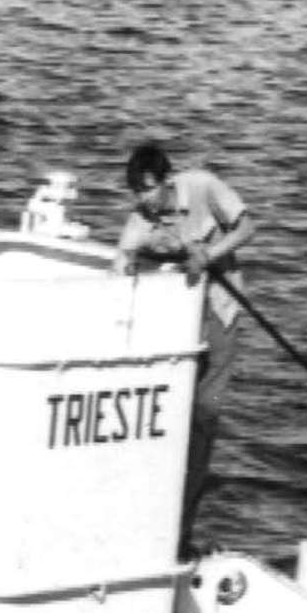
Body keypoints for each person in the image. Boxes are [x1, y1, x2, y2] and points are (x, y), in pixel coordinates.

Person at [116, 141, 255, 556]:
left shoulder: (202, 187)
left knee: (201, 423)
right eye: (137, 196)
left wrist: (209, 254)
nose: (144, 204)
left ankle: (181, 535)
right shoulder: (141, 217)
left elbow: (248, 227)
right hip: (176, 324)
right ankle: (158, 528)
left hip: (218, 313)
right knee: (166, 420)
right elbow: (121, 258)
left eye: (148, 192)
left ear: (164, 181)